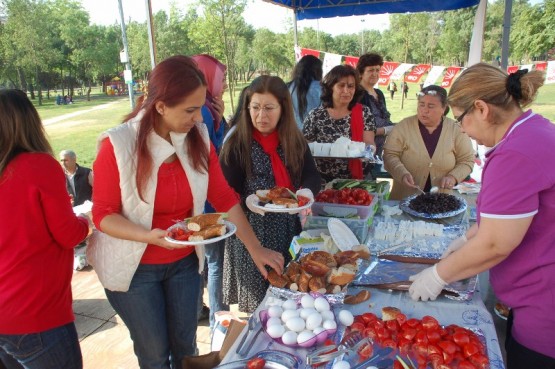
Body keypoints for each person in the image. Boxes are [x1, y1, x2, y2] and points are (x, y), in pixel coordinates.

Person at [88, 56, 284, 369]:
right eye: (190, 110)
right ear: (161, 105)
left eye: (199, 107)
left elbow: (222, 195)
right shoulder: (118, 144)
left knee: (185, 347)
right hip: (133, 270)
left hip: (182, 263)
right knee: (153, 353)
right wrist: (148, 236)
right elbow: (103, 215)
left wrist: (254, 247)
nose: (197, 117)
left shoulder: (198, 137)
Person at [408, 64, 555, 369]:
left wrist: (438, 275)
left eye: (461, 119)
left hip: (544, 305)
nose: (461, 129)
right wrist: (468, 237)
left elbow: (495, 244)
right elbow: (510, 217)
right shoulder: (533, 129)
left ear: (482, 109)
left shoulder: (516, 153)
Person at [0, 89, 90, 369]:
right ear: (29, 121)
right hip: (36, 313)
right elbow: (69, 235)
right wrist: (88, 220)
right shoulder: (38, 166)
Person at [219, 75, 322, 313]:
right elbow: (225, 192)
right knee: (258, 308)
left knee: (289, 300)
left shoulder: (294, 140)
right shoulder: (237, 143)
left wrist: (306, 190)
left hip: (288, 230)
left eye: (269, 108)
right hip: (250, 232)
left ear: (283, 108)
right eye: (255, 108)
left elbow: (311, 174)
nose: (261, 116)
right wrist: (246, 202)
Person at [383, 85, 474, 200]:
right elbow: (390, 155)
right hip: (404, 199)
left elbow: (467, 160)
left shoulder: (456, 130)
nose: (424, 110)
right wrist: (402, 173)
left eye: (431, 106)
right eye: (421, 105)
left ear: (443, 108)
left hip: (442, 201)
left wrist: (453, 177)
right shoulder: (403, 127)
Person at [191, 54, 228, 328]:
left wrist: (221, 116)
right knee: (214, 263)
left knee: (203, 263)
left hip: (204, 200)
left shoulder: (208, 108)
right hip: (206, 203)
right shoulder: (201, 111)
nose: (224, 84)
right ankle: (220, 320)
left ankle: (202, 312)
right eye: (222, 78)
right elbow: (214, 154)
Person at [303, 64, 376, 182]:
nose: (346, 91)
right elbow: (306, 144)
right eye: (341, 86)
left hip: (356, 180)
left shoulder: (363, 112)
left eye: (351, 86)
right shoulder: (316, 115)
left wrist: (367, 152)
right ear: (331, 87)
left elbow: (369, 142)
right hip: (322, 181)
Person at [356, 53, 394, 157]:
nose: (375, 74)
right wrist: (385, 130)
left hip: (379, 149)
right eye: (370, 70)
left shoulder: (379, 93)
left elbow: (384, 119)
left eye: (377, 70)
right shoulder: (357, 94)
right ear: (360, 73)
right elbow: (356, 129)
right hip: (363, 151)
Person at [287, 55, 323, 130]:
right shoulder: (321, 88)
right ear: (318, 70)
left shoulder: (287, 87)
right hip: (314, 135)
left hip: (291, 134)